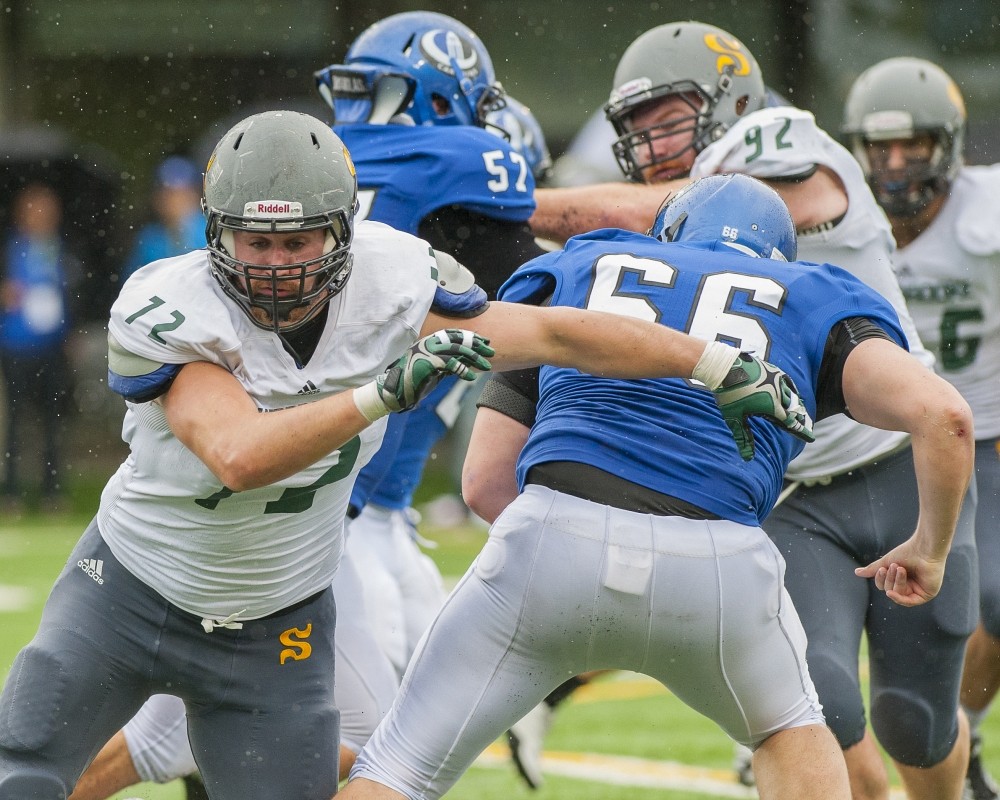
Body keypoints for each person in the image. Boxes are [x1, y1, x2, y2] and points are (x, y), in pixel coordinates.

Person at [0, 109, 807, 800]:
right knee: (24, 770)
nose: (277, 266)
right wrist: (382, 393)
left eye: (299, 240)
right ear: (215, 234)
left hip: (276, 621)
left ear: (344, 231)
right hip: (131, 591)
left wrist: (709, 362)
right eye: (255, 242)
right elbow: (239, 456)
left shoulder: (394, 279)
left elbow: (558, 331)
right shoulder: (166, 302)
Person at [338, 174, 973, 800]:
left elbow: (481, 484)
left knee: (396, 769)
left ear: (671, 232)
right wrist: (930, 549)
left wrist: (563, 557)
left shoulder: (586, 262)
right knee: (789, 734)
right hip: (720, 564)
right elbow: (944, 418)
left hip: (554, 531)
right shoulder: (816, 293)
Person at [68, 15, 555, 798]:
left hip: (355, 513)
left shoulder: (350, 189)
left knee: (378, 742)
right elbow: (549, 247)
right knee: (355, 746)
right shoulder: (429, 182)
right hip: (313, 522)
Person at [524, 21, 976, 800]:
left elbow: (731, 204)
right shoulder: (669, 224)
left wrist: (510, 200)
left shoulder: (784, 144)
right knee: (821, 705)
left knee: (915, 722)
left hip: (895, 464)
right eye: (635, 127)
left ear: (730, 103)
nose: (650, 141)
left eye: (666, 117)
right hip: (793, 498)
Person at [843, 56, 1000, 800]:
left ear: (950, 145)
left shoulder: (986, 214)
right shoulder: (845, 220)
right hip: (887, 448)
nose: (896, 165)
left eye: (913, 146)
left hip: (990, 436)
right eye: (881, 149)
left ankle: (956, 737)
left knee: (993, 598)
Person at [0, 181, 80, 515]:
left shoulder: (61, 250)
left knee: (51, 421)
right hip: (17, 346)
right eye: (35, 209)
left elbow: (72, 294)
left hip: (52, 348)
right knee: (16, 422)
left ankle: (51, 492)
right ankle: (11, 492)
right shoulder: (11, 250)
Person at [120, 155, 205, 282]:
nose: (174, 201)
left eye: (181, 194)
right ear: (156, 198)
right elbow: (132, 285)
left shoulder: (211, 232)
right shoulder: (148, 240)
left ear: (195, 195)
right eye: (168, 194)